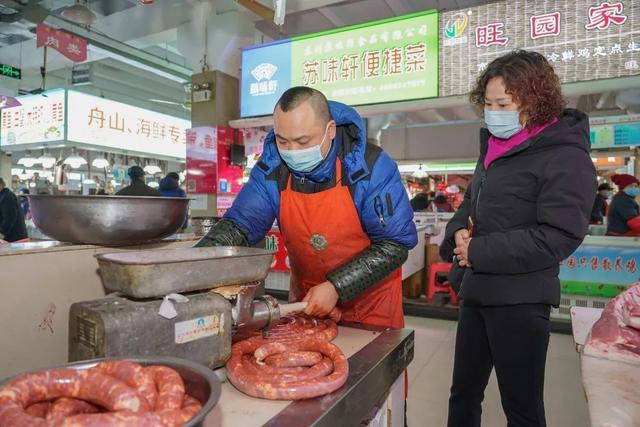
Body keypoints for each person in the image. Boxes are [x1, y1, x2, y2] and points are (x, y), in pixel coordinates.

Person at [439, 50, 596, 427]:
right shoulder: (492, 150)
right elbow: (471, 206)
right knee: (463, 394)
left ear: (536, 101)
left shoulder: (564, 155)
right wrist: (457, 232)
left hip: (521, 299)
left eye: (504, 104)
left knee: (521, 406)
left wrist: (479, 251)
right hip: (477, 292)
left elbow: (559, 234)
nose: (494, 112)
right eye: (488, 104)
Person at [195, 86, 417, 329]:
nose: (292, 151)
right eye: (283, 141)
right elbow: (239, 225)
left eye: (303, 141)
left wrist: (337, 286)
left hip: (371, 307)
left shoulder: (370, 166)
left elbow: (395, 245)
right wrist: (192, 267)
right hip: (307, 303)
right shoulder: (272, 168)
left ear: (330, 130)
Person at [0, 178, 28, 242]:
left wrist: (1, 234)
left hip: (13, 239)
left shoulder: (7, 197)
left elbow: (9, 218)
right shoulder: (4, 195)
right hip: (11, 238)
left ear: (1, 185)